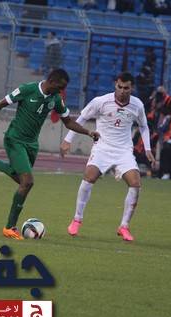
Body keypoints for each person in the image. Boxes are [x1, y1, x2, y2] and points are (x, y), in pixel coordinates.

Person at [0, 69, 99, 240]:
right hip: (15, 140)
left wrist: (88, 132)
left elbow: (68, 122)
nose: (62, 91)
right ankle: (9, 227)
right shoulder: (28, 89)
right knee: (27, 182)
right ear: (51, 81)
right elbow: (1, 103)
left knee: (22, 180)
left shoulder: (55, 99)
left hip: (32, 145)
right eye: (60, 87)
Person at [59, 72, 155, 242]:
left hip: (124, 151)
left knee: (135, 183)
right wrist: (68, 140)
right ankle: (77, 219)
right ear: (115, 85)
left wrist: (148, 149)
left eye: (126, 88)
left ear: (131, 88)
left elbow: (144, 126)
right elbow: (82, 118)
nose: (123, 91)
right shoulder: (101, 101)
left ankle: (124, 226)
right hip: (102, 148)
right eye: (120, 87)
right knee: (89, 177)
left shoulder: (137, 105)